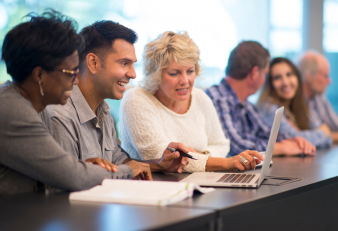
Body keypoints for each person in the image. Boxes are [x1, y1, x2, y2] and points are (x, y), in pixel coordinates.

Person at [0, 10, 143, 195]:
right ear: (39, 75)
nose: (75, 81)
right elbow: (71, 177)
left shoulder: (35, 107)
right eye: (70, 73)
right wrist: (128, 171)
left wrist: (82, 167)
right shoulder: (12, 109)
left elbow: (60, 171)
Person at [45, 21, 189, 174]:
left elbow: (119, 161)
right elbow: (68, 181)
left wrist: (158, 165)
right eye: (124, 63)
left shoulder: (103, 110)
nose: (133, 74)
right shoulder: (60, 116)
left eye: (133, 64)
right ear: (93, 63)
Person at [120, 31, 264, 173]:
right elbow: (163, 158)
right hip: (153, 188)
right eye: (174, 73)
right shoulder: (135, 99)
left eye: (190, 71)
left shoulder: (200, 97)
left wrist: (201, 156)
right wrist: (225, 163)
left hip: (198, 184)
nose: (185, 81)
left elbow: (221, 144)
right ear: (155, 74)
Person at [206, 41, 316, 157]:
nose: (264, 80)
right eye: (264, 74)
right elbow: (234, 146)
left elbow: (268, 133)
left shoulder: (246, 104)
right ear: (254, 73)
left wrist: (295, 141)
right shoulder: (218, 99)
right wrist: (283, 148)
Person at [257, 57, 332, 148]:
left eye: (289, 74)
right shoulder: (268, 107)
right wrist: (322, 133)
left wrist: (321, 135)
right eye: (277, 78)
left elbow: (328, 138)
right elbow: (294, 138)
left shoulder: (299, 103)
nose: (285, 82)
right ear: (270, 84)